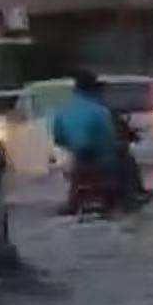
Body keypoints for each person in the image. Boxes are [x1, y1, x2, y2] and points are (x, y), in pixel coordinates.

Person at [51, 70, 120, 214]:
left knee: (74, 187)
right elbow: (110, 137)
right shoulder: (100, 111)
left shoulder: (63, 111)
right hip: (101, 160)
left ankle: (73, 203)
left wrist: (72, 145)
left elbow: (58, 138)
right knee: (116, 191)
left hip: (77, 159)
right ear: (94, 89)